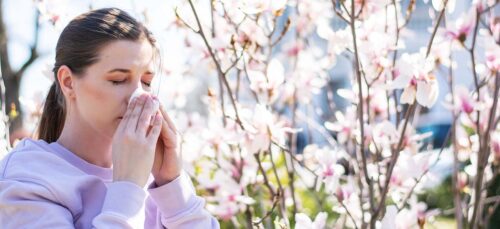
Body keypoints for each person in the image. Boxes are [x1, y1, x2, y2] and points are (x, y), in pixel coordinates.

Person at [0, 8, 220, 228]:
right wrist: (128, 187)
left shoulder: (157, 181)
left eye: (146, 82)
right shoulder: (26, 179)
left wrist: (173, 186)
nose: (138, 96)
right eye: (118, 80)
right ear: (68, 82)